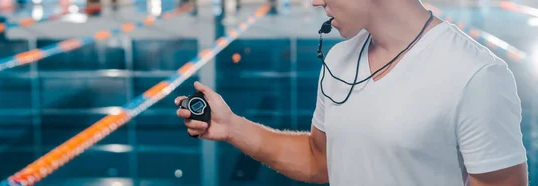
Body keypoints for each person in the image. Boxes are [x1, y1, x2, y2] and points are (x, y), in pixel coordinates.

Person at [174, 0, 529, 185]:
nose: (314, 2)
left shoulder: (475, 75)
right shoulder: (341, 59)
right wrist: (233, 128)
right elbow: (319, 160)